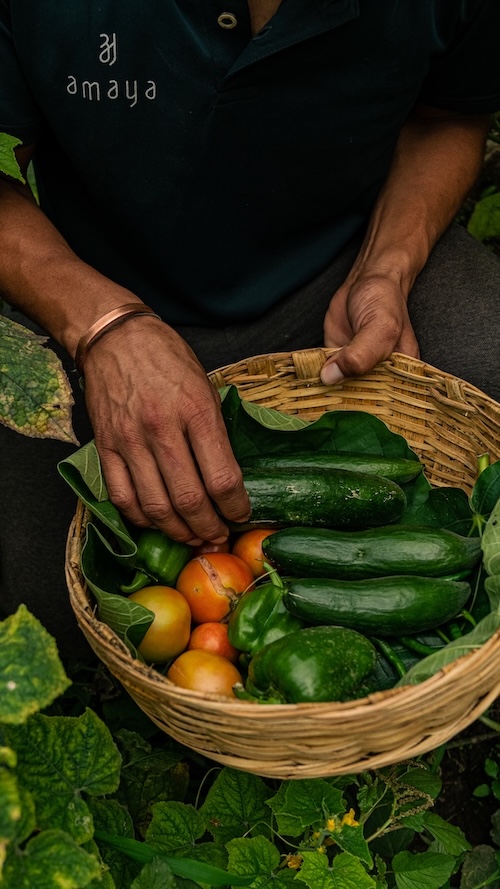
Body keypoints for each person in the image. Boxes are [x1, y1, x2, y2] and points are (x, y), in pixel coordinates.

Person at [1, 0, 500, 657]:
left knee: (485, 356)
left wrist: (389, 263)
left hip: (331, 275)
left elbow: (448, 114)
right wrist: (102, 323)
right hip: (79, 284)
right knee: (40, 610)